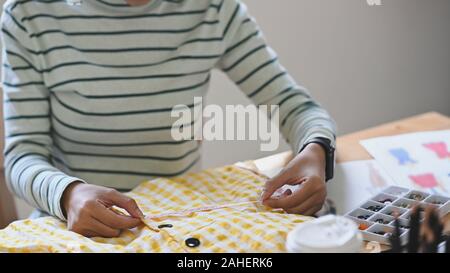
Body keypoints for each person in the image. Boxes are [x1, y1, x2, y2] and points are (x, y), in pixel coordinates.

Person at [1, 0, 336, 238]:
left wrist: (315, 152)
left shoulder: (213, 10)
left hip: (179, 226)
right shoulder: (29, 14)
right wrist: (67, 194)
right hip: (71, 227)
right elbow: (21, 156)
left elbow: (296, 107)